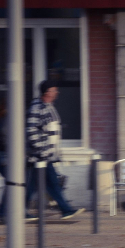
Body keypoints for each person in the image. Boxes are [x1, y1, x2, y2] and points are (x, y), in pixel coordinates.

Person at [25, 80, 85, 220]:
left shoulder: (48, 106)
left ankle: (65, 210)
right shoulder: (37, 107)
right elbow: (31, 130)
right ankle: (65, 210)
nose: (57, 92)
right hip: (39, 156)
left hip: (46, 156)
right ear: (47, 92)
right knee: (38, 185)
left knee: (48, 184)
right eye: (54, 90)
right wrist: (41, 149)